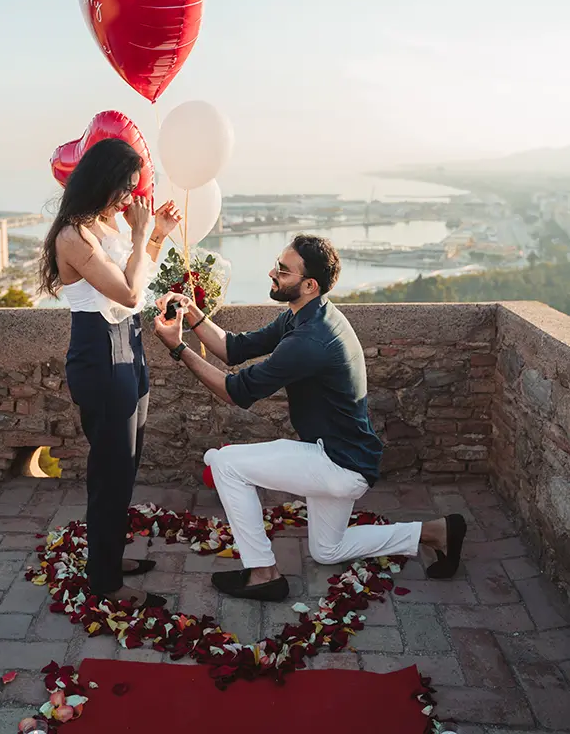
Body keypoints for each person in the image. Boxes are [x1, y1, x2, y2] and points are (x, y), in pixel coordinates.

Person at [154, 233, 467, 602]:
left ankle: (263, 573)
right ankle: (435, 533)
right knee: (326, 550)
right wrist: (191, 313)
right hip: (350, 457)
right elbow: (234, 348)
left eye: (282, 272)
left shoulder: (310, 341)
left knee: (224, 464)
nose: (272, 273)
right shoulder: (307, 315)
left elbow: (234, 392)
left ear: (309, 284)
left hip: (335, 462)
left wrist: (177, 348)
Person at [40, 138, 182, 607]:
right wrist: (141, 238)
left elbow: (141, 285)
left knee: (127, 467)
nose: (128, 198)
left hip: (131, 351)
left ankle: (108, 556)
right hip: (100, 358)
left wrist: (156, 234)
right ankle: (104, 582)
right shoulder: (73, 236)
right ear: (101, 181)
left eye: (131, 188)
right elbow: (125, 293)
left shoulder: (104, 223)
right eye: (123, 187)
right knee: (110, 474)